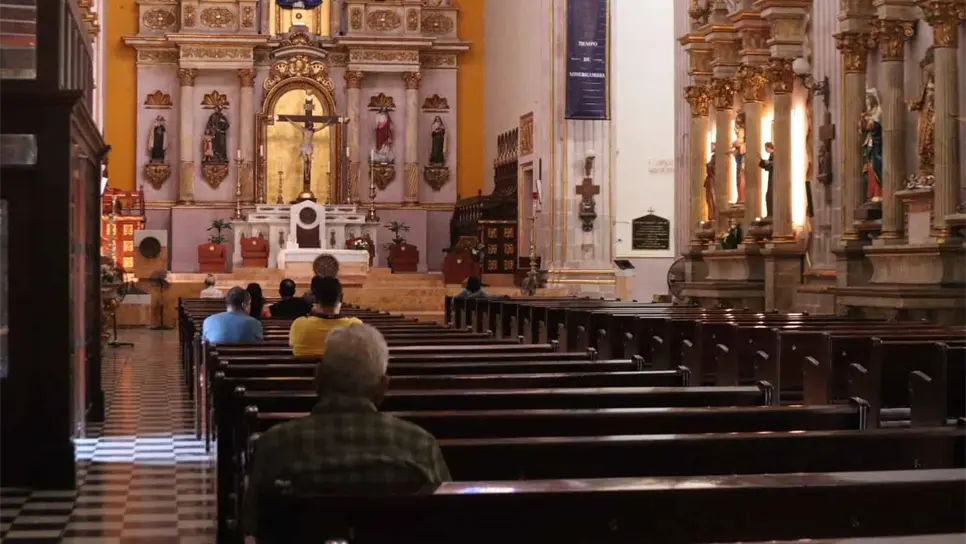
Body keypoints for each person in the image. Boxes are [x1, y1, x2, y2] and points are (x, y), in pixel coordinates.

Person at [244, 323, 451, 538]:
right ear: (383, 388)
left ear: (318, 379)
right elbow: (448, 521)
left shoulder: (275, 445)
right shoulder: (420, 446)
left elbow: (252, 524)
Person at [289, 276, 362, 356]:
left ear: (316, 299)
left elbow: (292, 346)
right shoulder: (356, 326)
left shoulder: (299, 324)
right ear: (341, 298)